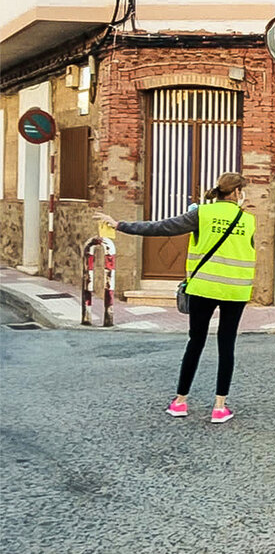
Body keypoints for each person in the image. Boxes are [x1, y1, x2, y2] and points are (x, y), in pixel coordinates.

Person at [94, 172, 256, 424]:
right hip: (235, 291)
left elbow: (161, 227)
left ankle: (180, 402)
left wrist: (120, 225)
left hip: (203, 289)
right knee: (227, 346)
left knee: (196, 342)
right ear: (236, 193)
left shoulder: (201, 214)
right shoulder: (249, 221)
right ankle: (219, 407)